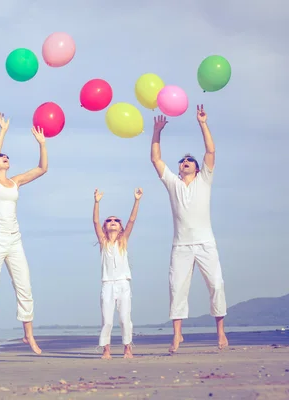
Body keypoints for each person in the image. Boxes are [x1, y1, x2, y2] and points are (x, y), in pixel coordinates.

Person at [150, 104, 228, 353]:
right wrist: (157, 131)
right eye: (182, 161)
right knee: (177, 288)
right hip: (181, 246)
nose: (184, 162)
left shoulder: (205, 179)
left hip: (206, 243)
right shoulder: (173, 183)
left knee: (216, 284)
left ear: (196, 167)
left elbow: (211, 150)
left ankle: (221, 333)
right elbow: (155, 159)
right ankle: (177, 336)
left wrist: (203, 124)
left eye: (188, 160)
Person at [0, 112, 48, 359]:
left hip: (14, 239)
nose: (4, 158)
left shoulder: (15, 182)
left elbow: (41, 169)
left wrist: (42, 143)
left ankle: (28, 334)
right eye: (1, 157)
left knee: (24, 286)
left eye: (7, 157)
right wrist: (3, 131)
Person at [92, 187, 143, 359]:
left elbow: (132, 220)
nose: (113, 221)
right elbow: (95, 223)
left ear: (120, 227)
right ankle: (106, 350)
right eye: (109, 220)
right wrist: (96, 202)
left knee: (124, 319)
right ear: (106, 227)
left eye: (116, 220)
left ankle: (127, 348)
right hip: (107, 284)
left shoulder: (123, 240)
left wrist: (137, 200)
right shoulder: (103, 242)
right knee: (107, 320)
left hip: (123, 283)